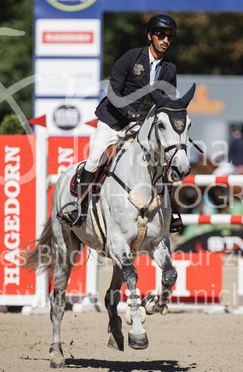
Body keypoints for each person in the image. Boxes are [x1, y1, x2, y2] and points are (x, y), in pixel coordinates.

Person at [60, 13, 179, 226]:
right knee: (95, 158)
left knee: (163, 161)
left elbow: (167, 101)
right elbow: (113, 92)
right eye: (161, 35)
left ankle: (169, 213)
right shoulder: (131, 58)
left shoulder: (170, 69)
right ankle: (80, 207)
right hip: (113, 120)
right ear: (149, 36)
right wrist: (129, 112)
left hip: (142, 125)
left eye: (170, 36)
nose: (165, 40)